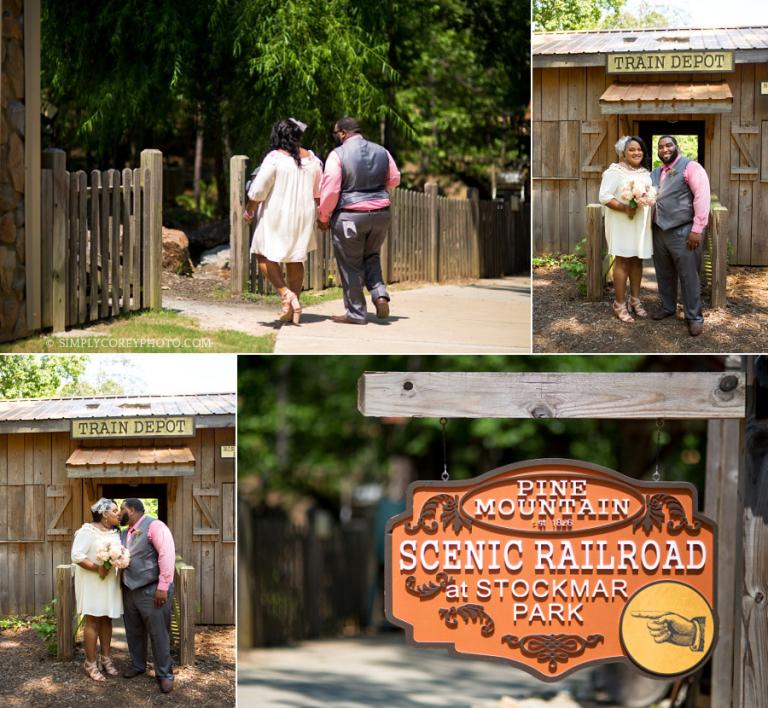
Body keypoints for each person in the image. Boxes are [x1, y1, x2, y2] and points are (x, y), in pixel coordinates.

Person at [317, 117, 401, 324]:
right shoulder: (382, 151)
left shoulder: (338, 155)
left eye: (335, 133)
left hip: (350, 216)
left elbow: (331, 190)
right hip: (381, 214)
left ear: (343, 133)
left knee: (351, 264)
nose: (336, 137)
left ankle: (356, 313)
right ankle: (380, 294)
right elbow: (395, 178)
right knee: (371, 255)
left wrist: (324, 216)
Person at [244, 118, 323, 325]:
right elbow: (318, 193)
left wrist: (249, 211)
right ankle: (292, 310)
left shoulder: (275, 158)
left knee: (262, 254)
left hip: (277, 214)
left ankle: (287, 295)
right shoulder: (313, 160)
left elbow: (258, 190)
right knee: (295, 257)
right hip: (304, 215)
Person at [650, 135, 711, 337]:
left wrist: (697, 229)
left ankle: (694, 317)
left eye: (669, 145)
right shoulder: (655, 173)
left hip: (684, 231)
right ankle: (668, 306)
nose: (664, 149)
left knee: (689, 275)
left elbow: (702, 196)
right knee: (664, 272)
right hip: (659, 231)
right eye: (660, 146)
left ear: (676, 147)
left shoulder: (691, 167)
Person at [119, 498, 177, 694]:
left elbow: (166, 555)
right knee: (133, 631)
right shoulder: (124, 533)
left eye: (122, 509)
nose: (120, 513)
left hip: (152, 590)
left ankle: (164, 674)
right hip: (129, 590)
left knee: (159, 633)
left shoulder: (155, 526)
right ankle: (138, 665)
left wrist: (163, 586)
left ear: (133, 510)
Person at [599, 136, 654, 323]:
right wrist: (625, 207)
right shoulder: (614, 171)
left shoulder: (646, 173)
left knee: (637, 260)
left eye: (639, 149)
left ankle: (635, 300)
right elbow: (604, 197)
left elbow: (650, 194)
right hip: (621, 221)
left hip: (639, 222)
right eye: (632, 149)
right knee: (622, 260)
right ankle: (619, 303)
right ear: (624, 152)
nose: (636, 152)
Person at [70, 498, 123, 681]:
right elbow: (76, 555)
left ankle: (106, 659)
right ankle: (90, 663)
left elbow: (119, 553)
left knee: (107, 618)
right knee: (92, 620)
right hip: (92, 580)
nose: (118, 514)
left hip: (109, 581)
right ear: (104, 514)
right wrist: (97, 568)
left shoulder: (115, 533)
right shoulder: (87, 531)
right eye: (115, 510)